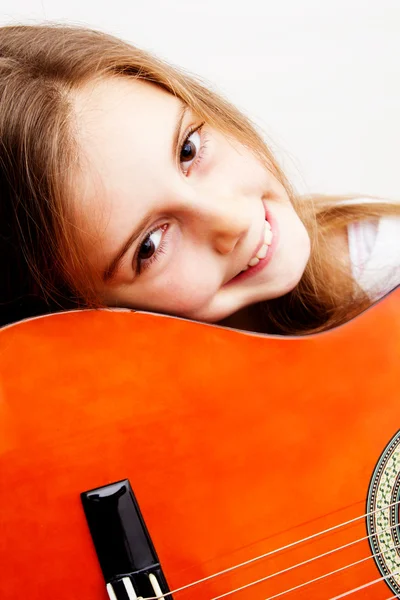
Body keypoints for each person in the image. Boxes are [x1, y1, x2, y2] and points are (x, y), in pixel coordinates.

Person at [0, 24, 399, 335]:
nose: (231, 220)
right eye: (149, 245)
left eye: (188, 149)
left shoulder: (387, 268)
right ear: (70, 317)